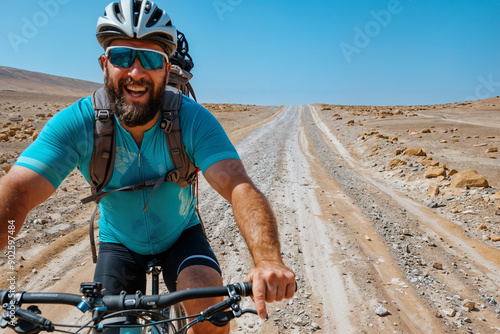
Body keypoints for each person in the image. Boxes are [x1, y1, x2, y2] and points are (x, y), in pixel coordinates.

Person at [0, 0, 295, 333]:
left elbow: (238, 185)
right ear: (104, 65)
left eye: (151, 59)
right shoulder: (78, 124)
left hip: (181, 235)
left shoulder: (192, 120)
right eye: (122, 57)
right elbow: (19, 188)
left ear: (166, 71)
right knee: (112, 326)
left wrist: (267, 258)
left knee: (209, 308)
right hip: (119, 241)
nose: (136, 72)